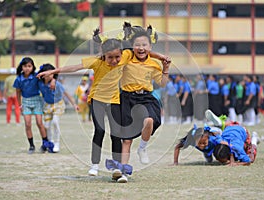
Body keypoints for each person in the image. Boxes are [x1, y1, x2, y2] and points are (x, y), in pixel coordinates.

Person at [37, 28, 170, 182]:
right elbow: (75, 67)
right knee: (99, 130)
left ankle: (116, 168)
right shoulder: (98, 61)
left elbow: (143, 51)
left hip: (114, 100)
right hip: (98, 100)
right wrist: (54, 71)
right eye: (110, 58)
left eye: (117, 57)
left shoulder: (124, 57)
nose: (114, 61)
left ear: (121, 54)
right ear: (103, 55)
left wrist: (161, 57)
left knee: (116, 134)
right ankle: (94, 165)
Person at [119, 27, 170, 182]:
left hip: (145, 98)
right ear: (132, 46)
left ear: (150, 47)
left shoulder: (153, 64)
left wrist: (165, 67)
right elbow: (123, 52)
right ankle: (123, 173)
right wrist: (160, 55)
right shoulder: (127, 57)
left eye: (144, 45)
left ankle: (142, 148)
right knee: (126, 140)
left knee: (149, 121)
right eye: (138, 44)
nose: (141, 48)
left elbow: (161, 83)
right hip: (127, 99)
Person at [13, 57, 54, 154]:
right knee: (27, 124)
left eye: (29, 66)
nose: (27, 68)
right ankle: (31, 146)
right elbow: (18, 93)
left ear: (33, 67)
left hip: (37, 101)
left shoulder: (36, 76)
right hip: (26, 102)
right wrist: (19, 105)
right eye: (25, 66)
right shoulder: (19, 79)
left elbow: (49, 74)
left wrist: (53, 81)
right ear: (21, 67)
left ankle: (45, 144)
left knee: (39, 123)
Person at [38, 63, 79, 153]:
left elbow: (67, 94)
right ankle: (51, 143)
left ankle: (57, 143)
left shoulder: (57, 84)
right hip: (47, 105)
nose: (49, 75)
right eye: (47, 73)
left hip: (58, 104)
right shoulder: (40, 83)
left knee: (55, 122)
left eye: (51, 73)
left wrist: (74, 104)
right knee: (47, 126)